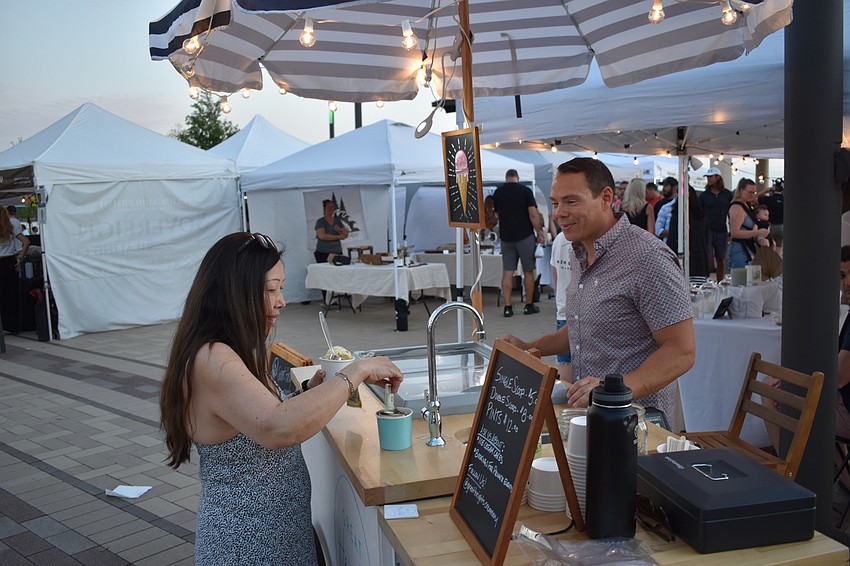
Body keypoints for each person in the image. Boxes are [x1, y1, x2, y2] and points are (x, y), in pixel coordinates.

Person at [159, 232, 403, 565]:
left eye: (281, 288)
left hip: (275, 534)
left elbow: (256, 414)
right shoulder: (214, 359)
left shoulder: (230, 349)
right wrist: (355, 372)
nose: (281, 301)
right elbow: (278, 427)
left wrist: (307, 394)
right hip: (247, 544)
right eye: (271, 289)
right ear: (236, 294)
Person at [502, 158, 695, 426]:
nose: (558, 213)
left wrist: (612, 391)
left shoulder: (647, 257)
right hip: (590, 420)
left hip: (637, 426)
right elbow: (582, 330)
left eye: (571, 201)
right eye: (556, 203)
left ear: (605, 198)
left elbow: (682, 351)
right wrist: (530, 347)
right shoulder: (581, 251)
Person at [493, 169, 545, 317]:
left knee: (508, 272)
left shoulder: (498, 192)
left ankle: (508, 307)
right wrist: (539, 232)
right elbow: (533, 213)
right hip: (525, 236)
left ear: (506, 177)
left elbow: (497, 215)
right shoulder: (525, 191)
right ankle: (528, 305)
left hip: (506, 237)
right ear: (517, 177)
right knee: (528, 271)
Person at [666, 186, 709, 278]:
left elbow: (672, 237)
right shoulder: (700, 215)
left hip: (682, 253)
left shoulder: (678, 214)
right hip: (699, 254)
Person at [698, 167, 733, 281]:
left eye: (711, 177)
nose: (708, 179)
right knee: (707, 256)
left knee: (721, 258)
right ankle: (707, 280)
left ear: (718, 177)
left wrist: (731, 229)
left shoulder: (727, 194)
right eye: (708, 177)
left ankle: (720, 281)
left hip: (722, 229)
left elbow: (730, 213)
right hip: (707, 229)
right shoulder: (704, 196)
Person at [0, 207, 30, 335]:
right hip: (9, 262)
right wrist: (20, 258)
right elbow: (26, 242)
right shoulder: (12, 224)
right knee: (12, 295)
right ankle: (13, 326)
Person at [728, 178, 769, 269]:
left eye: (754, 192)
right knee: (743, 280)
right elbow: (734, 232)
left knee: (750, 280)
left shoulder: (746, 205)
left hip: (747, 248)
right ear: (741, 190)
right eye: (750, 192)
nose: (752, 195)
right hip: (740, 249)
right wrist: (757, 233)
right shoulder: (737, 207)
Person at [549, 231, 574, 382]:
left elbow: (555, 274)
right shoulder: (586, 238)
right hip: (578, 315)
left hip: (563, 311)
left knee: (565, 370)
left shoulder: (559, 238)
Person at [314, 199, 348, 264]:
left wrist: (340, 230)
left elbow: (345, 234)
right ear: (324, 208)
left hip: (337, 252)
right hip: (323, 252)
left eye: (332, 207)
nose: (331, 209)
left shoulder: (337, 220)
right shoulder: (320, 221)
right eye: (329, 207)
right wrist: (339, 236)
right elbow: (322, 236)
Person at [758, 178, 785, 256]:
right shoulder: (785, 200)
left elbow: (753, 199)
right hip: (781, 226)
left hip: (770, 226)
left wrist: (764, 191)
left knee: (769, 249)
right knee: (779, 250)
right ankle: (778, 266)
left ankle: (770, 266)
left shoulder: (768, 199)